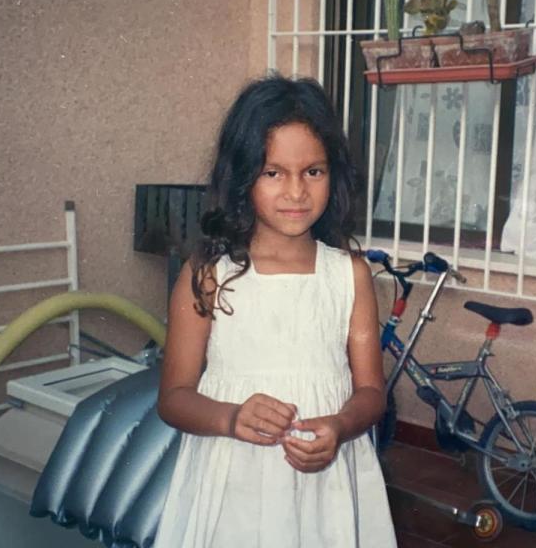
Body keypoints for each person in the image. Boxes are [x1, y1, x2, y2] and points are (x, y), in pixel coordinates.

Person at [153, 75, 396, 547]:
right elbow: (173, 398)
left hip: (326, 486)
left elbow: (371, 392)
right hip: (233, 485)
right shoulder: (208, 275)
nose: (296, 192)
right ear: (243, 177)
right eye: (273, 173)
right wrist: (230, 418)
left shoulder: (348, 275)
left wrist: (341, 425)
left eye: (313, 171)